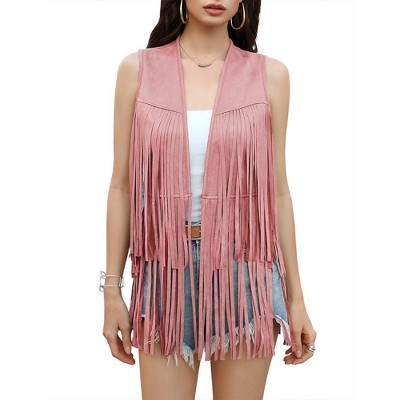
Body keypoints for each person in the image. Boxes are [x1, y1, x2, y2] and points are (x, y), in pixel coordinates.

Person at [101, 0, 317, 398]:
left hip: (245, 272)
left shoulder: (270, 76)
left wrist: (296, 298)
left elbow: (279, 192)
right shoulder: (138, 71)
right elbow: (122, 187)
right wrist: (112, 291)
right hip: (165, 273)